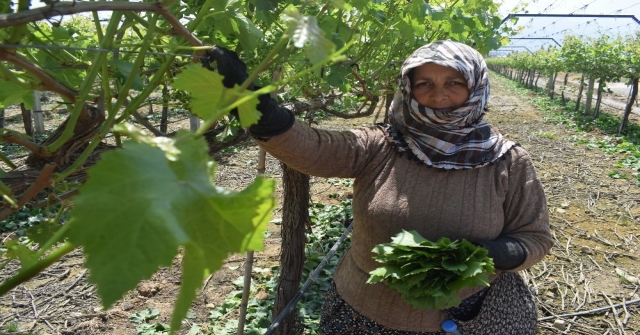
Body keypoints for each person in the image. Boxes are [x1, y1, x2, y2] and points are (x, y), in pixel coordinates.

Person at [204, 40, 553, 334]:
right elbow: (312, 148)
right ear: (408, 88)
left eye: (454, 82)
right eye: (424, 84)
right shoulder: (382, 144)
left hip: (469, 317)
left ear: (476, 86)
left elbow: (535, 237)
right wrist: (252, 102)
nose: (438, 94)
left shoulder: (507, 161)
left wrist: (501, 253)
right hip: (363, 314)